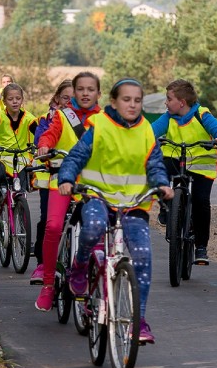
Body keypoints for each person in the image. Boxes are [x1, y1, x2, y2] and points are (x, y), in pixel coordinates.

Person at [56, 78, 173, 343]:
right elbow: (76, 157)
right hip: (98, 197)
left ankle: (137, 322)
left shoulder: (146, 131)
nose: (132, 105)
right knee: (94, 228)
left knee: (143, 256)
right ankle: (80, 266)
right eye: (126, 99)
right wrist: (66, 179)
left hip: (134, 203)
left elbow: (154, 165)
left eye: (137, 100)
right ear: (113, 102)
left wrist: (163, 185)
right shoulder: (99, 126)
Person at [32, 72, 102, 308]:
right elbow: (50, 135)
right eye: (80, 89)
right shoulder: (62, 116)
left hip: (92, 184)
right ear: (74, 92)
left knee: (98, 230)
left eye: (89, 89)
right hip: (61, 180)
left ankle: (93, 280)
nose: (84, 93)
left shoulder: (106, 119)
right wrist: (44, 146)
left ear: (98, 94)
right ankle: (49, 284)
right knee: (53, 226)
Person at [151, 79, 217, 265]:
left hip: (202, 162)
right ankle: (165, 207)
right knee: (157, 170)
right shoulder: (168, 117)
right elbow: (150, 131)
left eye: (168, 99)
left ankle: (201, 247)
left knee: (201, 201)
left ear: (182, 102)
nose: (166, 102)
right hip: (176, 158)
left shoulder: (202, 114)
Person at [29, 79, 74, 285]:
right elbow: (42, 138)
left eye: (73, 98)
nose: (70, 102)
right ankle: (42, 264)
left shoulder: (86, 119)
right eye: (66, 98)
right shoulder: (46, 119)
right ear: (57, 98)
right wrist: (44, 148)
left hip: (78, 178)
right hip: (51, 176)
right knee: (48, 220)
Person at [0, 83, 37, 222]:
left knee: (21, 187)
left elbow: (39, 133)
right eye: (11, 99)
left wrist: (44, 145)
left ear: (22, 100)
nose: (15, 101)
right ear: (4, 101)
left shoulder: (29, 118)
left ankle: (21, 209)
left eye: (18, 98)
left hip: (20, 156)